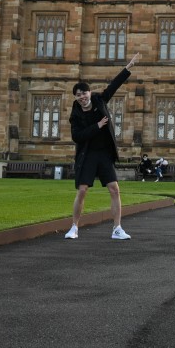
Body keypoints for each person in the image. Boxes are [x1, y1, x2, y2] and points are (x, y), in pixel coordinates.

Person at [65, 52, 141, 241]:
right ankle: (74, 227)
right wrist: (96, 126)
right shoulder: (75, 115)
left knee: (114, 189)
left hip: (104, 154)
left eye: (84, 93)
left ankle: (117, 228)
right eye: (78, 95)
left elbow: (113, 86)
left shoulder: (99, 100)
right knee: (82, 190)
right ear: (75, 98)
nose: (82, 97)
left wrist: (128, 67)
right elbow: (77, 137)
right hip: (88, 155)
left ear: (89, 93)